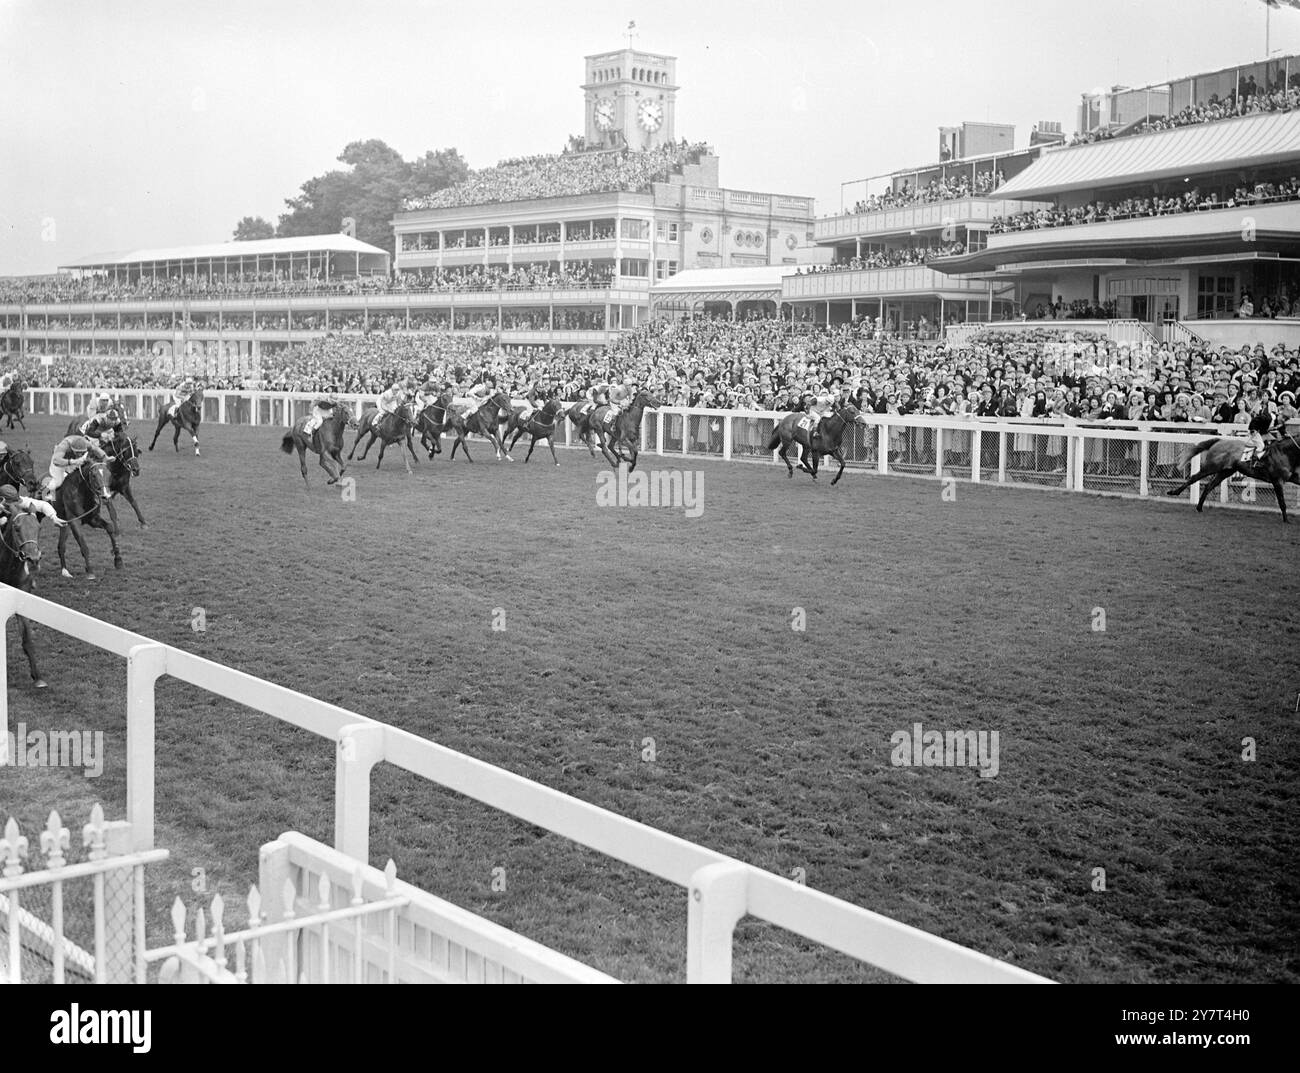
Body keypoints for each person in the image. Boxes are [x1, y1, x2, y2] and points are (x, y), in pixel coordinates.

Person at [44, 434, 109, 500]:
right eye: (78, 453)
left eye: (82, 452)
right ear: (72, 449)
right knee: (58, 481)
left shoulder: (86, 443)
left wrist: (106, 457)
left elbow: (96, 449)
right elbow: (56, 461)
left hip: (73, 460)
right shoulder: (64, 446)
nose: (80, 455)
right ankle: (44, 493)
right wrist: (73, 462)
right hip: (59, 462)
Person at [0, 483, 65, 528]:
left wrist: (54, 517)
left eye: (16, 501)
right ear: (2, 501)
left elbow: (43, 505)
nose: (16, 504)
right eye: (13, 502)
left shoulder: (20, 501)